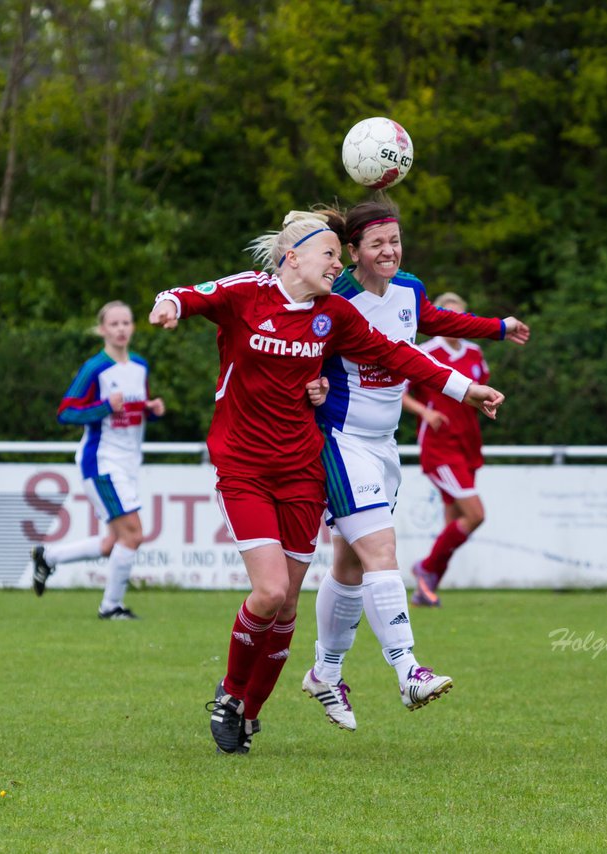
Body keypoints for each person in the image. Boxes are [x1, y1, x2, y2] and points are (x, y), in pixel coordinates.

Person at [148, 210, 506, 754]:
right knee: (268, 591)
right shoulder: (247, 293)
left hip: (301, 468)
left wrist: (464, 390)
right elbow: (189, 294)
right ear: (294, 257)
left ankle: (250, 712)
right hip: (242, 466)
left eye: (342, 256)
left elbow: (397, 353)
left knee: (288, 604)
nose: (338, 266)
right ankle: (230, 694)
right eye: (330, 256)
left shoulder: (333, 313)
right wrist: (169, 304)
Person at [302, 203, 530, 732]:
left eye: (395, 241)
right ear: (352, 251)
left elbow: (438, 322)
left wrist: (497, 327)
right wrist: (309, 387)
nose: (389, 251)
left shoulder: (409, 289)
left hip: (384, 445)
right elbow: (301, 351)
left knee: (350, 564)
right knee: (381, 549)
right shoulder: (337, 301)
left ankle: (324, 671)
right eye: (376, 243)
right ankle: (408, 669)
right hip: (339, 440)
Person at [30, 300, 165, 620]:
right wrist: (104, 406)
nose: (121, 329)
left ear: (133, 327)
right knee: (133, 534)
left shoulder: (140, 366)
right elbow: (65, 413)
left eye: (126, 323)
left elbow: (133, 411)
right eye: (114, 324)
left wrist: (152, 411)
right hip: (102, 462)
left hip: (129, 463)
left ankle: (47, 557)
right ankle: (111, 608)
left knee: (112, 543)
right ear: (103, 329)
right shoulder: (95, 368)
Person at [401, 291, 498, 608]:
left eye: (460, 316)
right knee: (475, 514)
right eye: (447, 315)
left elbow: (477, 394)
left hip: (467, 443)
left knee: (454, 521)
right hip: (440, 446)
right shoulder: (425, 352)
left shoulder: (474, 353)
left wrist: (487, 404)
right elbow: (400, 393)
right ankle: (426, 568)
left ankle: (425, 591)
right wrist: (425, 412)